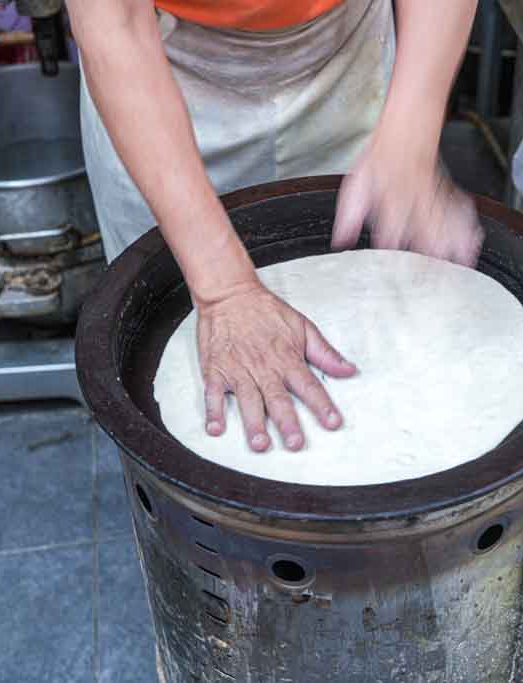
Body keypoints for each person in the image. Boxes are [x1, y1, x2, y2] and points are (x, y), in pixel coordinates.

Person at [67, 0, 485, 454]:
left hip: (348, 52)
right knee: (210, 422)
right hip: (165, 78)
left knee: (373, 383)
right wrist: (223, 291)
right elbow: (116, 25)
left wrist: (411, 130)